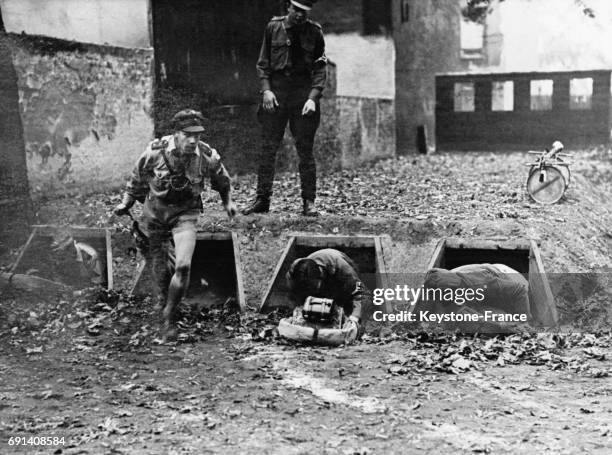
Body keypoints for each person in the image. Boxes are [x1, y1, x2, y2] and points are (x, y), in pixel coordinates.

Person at [114, 109, 236, 340]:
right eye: (187, 134)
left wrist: (228, 203)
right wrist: (126, 203)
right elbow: (137, 177)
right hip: (155, 213)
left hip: (185, 214)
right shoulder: (155, 151)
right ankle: (162, 304)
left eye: (197, 135)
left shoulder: (206, 155)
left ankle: (170, 315)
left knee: (183, 266)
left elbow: (223, 179)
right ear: (176, 134)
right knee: (160, 270)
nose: (193, 140)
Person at [242, 0, 327, 217]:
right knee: (268, 149)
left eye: (304, 12)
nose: (300, 15)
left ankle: (309, 202)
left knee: (305, 151)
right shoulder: (273, 28)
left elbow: (319, 68)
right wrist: (267, 91)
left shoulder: (315, 32)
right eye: (296, 10)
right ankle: (262, 199)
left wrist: (313, 98)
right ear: (288, 7)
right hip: (276, 96)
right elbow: (263, 64)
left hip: (302, 99)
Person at [286, 249, 368, 339]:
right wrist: (298, 313)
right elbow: (293, 296)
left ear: (321, 275)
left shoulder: (342, 267)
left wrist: (355, 317)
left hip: (340, 281)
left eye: (315, 288)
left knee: (346, 310)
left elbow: (360, 292)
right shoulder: (295, 274)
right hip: (322, 283)